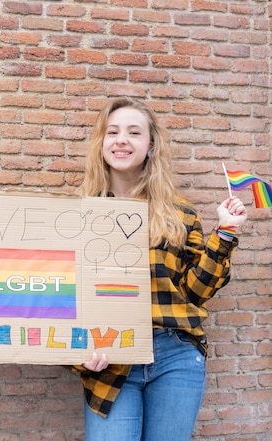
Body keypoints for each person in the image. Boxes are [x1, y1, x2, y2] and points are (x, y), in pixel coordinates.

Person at [74, 97, 248, 441]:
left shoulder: (179, 214)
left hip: (175, 354)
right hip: (111, 357)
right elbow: (62, 296)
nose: (122, 139)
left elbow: (195, 293)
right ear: (101, 144)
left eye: (134, 132)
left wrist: (226, 232)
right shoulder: (77, 218)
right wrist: (77, 353)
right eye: (113, 132)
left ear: (151, 146)